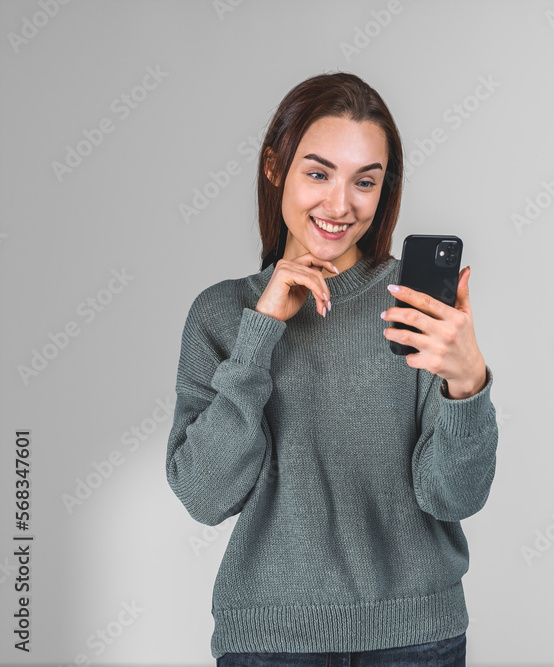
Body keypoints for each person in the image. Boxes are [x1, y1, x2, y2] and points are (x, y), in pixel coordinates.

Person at [164, 72, 498, 667]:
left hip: (415, 639)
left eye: (364, 182)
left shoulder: (414, 307)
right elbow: (204, 494)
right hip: (271, 643)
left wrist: (467, 386)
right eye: (318, 173)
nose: (340, 205)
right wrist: (261, 331)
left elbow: (453, 497)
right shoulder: (221, 314)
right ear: (275, 168)